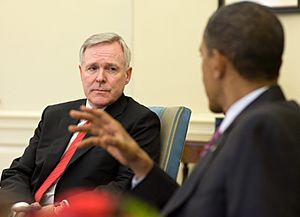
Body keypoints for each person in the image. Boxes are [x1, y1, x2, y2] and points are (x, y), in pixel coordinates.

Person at [68, 2, 300, 217]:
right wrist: (140, 163)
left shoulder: (263, 129)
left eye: (202, 55)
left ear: (217, 63)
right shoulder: (256, 122)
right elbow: (196, 207)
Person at [0, 33, 161, 216]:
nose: (100, 77)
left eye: (111, 69)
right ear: (81, 72)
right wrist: (22, 207)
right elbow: (17, 172)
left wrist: (58, 211)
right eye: (92, 68)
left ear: (127, 75)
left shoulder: (141, 121)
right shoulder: (54, 114)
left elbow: (127, 187)